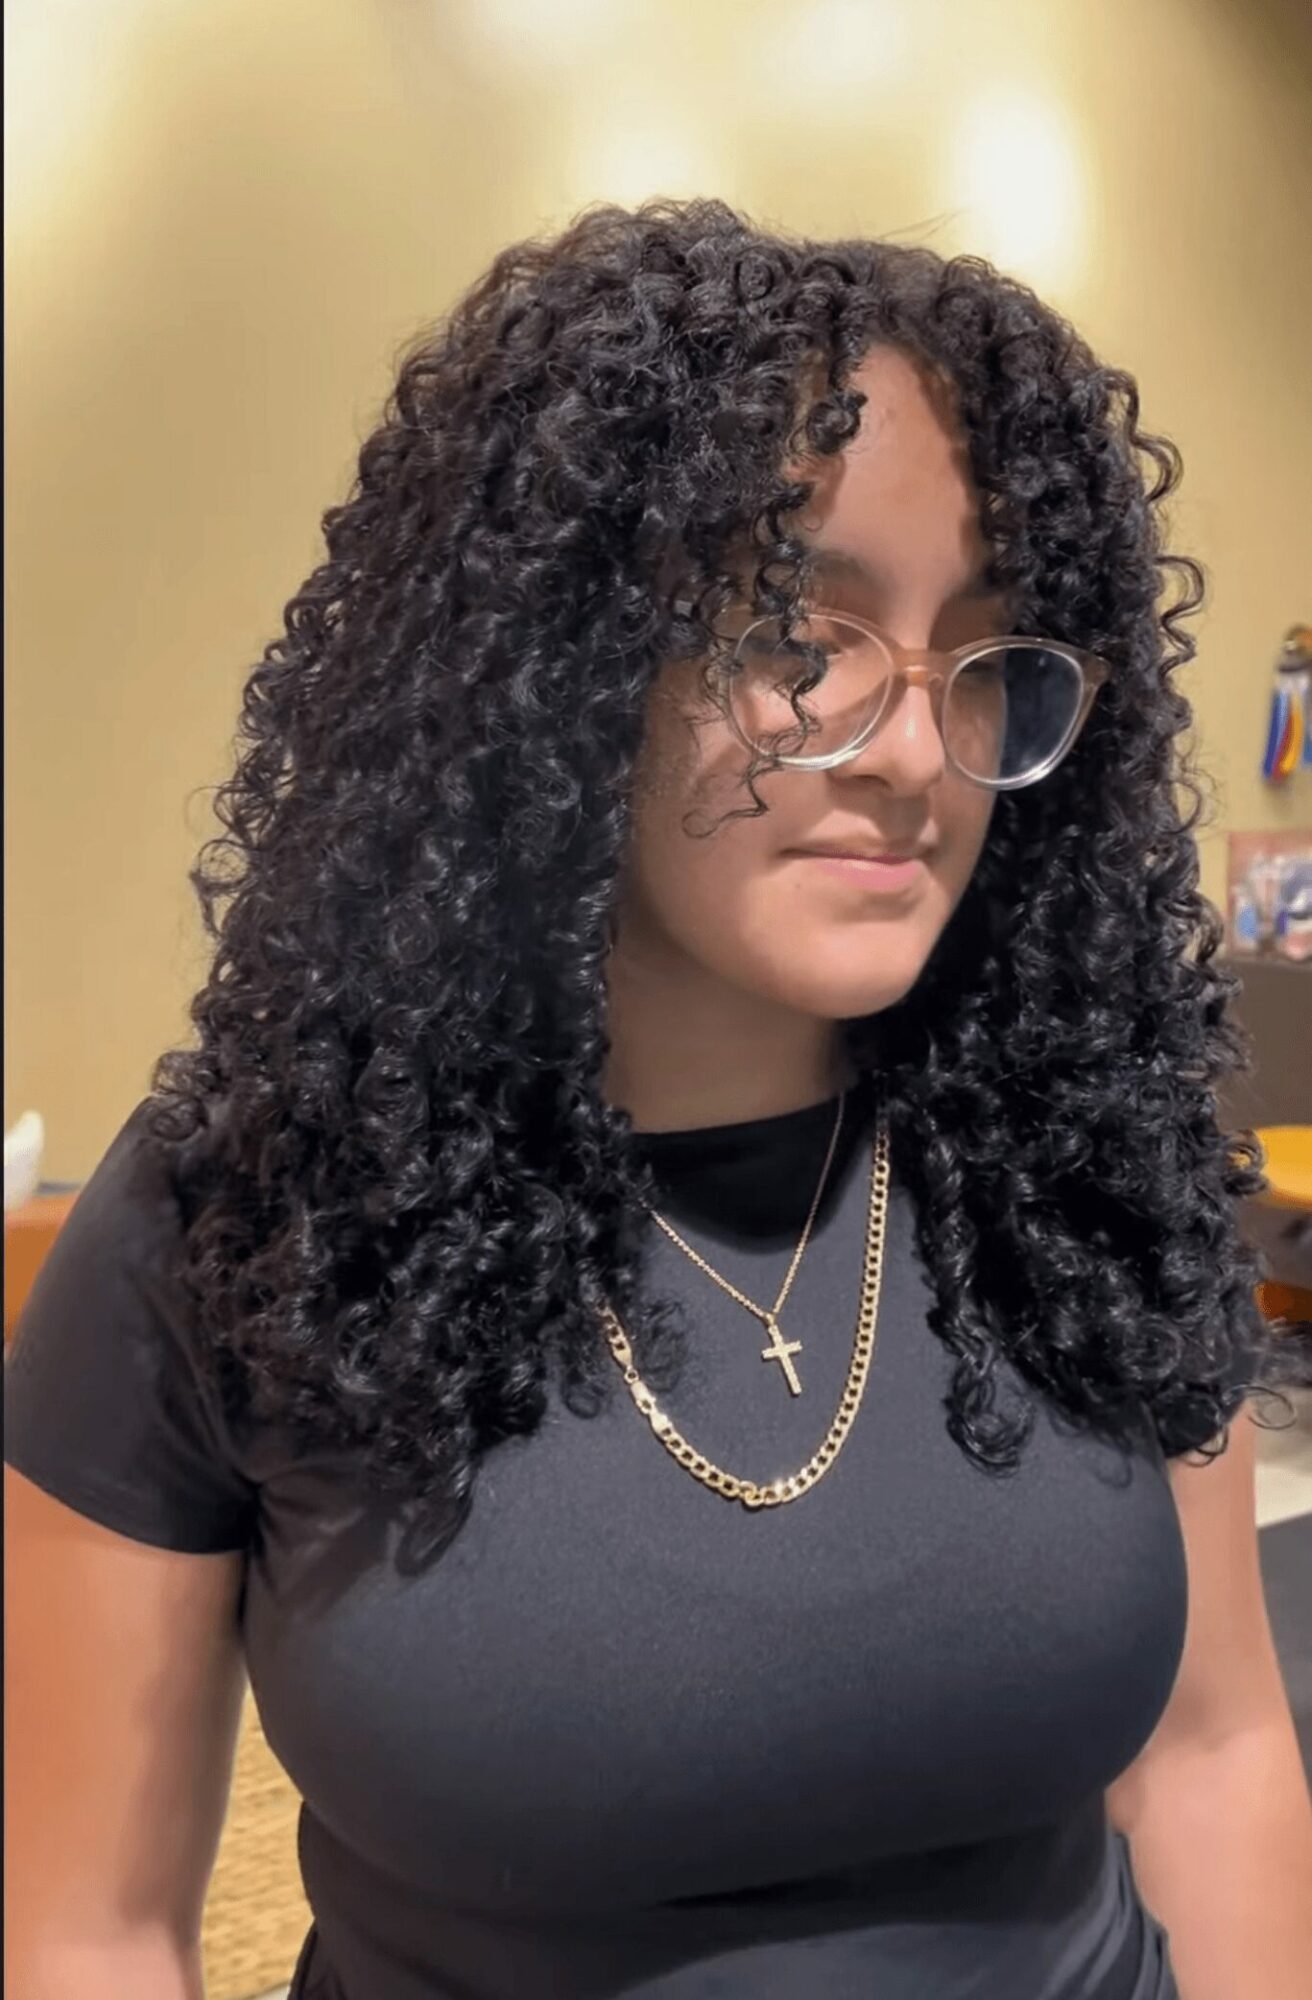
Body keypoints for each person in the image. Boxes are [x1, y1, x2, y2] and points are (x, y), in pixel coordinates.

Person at [6, 198, 1311, 2000]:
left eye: (985, 662)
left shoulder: (1091, 1149)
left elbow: (1215, 1756)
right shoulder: (256, 1206)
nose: (916, 756)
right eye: (798, 642)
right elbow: (85, 1926)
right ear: (562, 668)